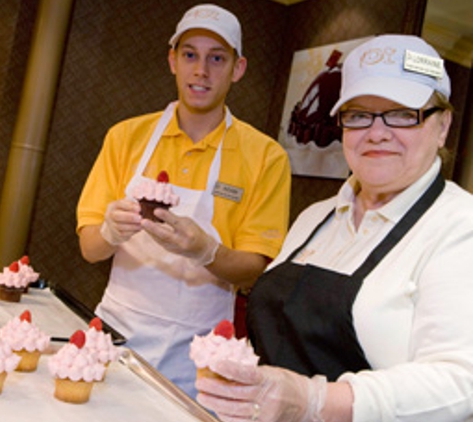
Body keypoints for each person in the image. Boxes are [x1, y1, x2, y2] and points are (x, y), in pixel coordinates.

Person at [194, 34, 473, 421]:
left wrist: (313, 400)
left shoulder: (460, 227)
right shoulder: (316, 217)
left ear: (442, 126)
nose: (377, 132)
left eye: (402, 113)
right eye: (359, 115)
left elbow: (461, 384)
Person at [76, 4, 291, 398]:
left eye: (217, 58)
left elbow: (256, 272)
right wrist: (110, 232)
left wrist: (206, 251)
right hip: (114, 334)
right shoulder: (125, 138)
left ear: (237, 69)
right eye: (190, 55)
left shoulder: (266, 157)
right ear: (172, 61)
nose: (201, 71)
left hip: (200, 355)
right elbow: (90, 250)